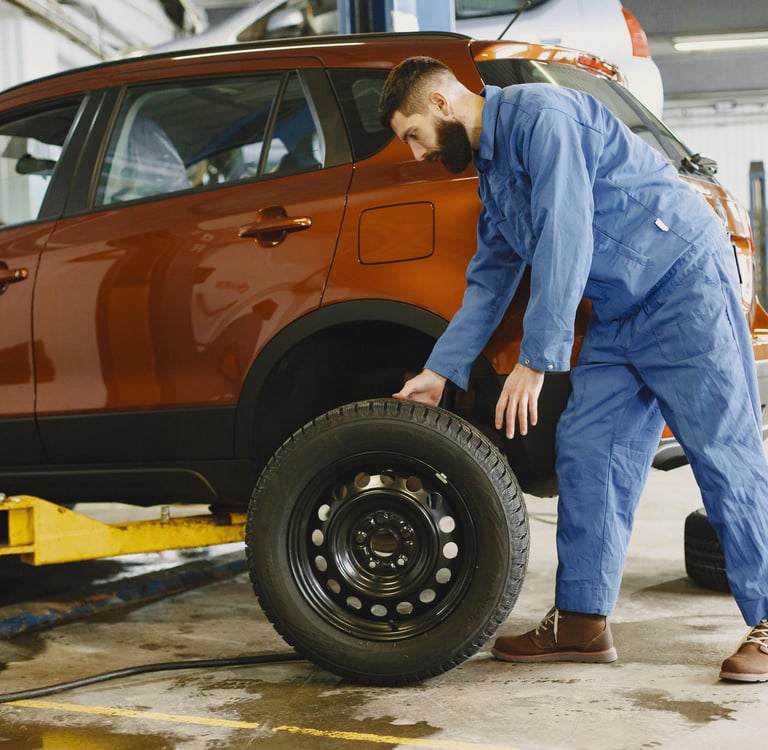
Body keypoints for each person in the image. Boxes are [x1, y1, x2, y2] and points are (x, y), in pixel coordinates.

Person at [378, 55, 768, 682]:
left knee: (724, 452)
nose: (418, 153)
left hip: (681, 285)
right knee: (588, 451)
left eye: (414, 135)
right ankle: (582, 622)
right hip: (619, 311)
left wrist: (537, 360)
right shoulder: (495, 173)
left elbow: (567, 231)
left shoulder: (544, 116)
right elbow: (490, 280)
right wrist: (439, 371)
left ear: (443, 103)